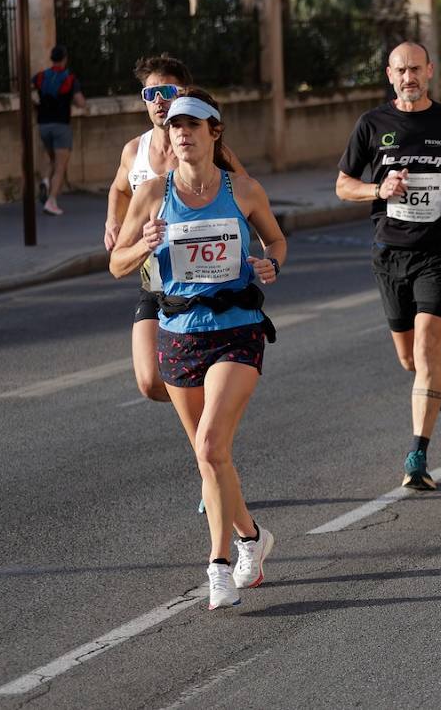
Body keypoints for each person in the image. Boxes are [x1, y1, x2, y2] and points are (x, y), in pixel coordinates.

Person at [109, 89, 285, 610]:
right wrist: (144, 241)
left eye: (193, 124)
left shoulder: (243, 190)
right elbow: (118, 265)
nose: (181, 132)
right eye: (175, 126)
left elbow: (275, 241)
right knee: (210, 459)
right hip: (179, 332)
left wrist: (271, 264)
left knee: (210, 447)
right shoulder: (153, 195)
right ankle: (252, 537)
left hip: (237, 328)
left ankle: (218, 566)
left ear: (214, 132)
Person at [336, 42, 441, 490]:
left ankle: (417, 456)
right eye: (401, 70)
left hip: (440, 250)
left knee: (421, 350)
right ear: (389, 74)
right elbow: (343, 185)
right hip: (390, 251)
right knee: (411, 358)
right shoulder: (372, 124)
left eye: (416, 69)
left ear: (430, 71)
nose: (409, 77)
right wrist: (377, 190)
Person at [104, 55, 247, 405]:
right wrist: (113, 220)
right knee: (150, 383)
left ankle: (208, 405)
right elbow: (121, 189)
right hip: (155, 278)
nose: (157, 100)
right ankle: (197, 393)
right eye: (148, 93)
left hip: (202, 283)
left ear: (183, 92)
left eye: (165, 91)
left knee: (201, 411)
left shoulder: (208, 148)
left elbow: (245, 193)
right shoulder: (133, 150)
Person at [31, 45, 87, 216]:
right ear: (64, 59)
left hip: (43, 125)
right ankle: (51, 201)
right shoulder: (69, 78)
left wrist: (37, 105)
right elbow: (80, 102)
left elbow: (27, 90)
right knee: (61, 165)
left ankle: (46, 181)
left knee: (52, 158)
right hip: (61, 126)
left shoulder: (41, 76)